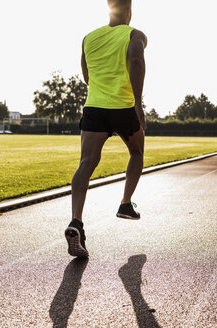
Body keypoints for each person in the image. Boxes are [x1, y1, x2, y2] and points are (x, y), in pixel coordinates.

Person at [65, 0, 147, 258]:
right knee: (136, 152)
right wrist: (137, 103)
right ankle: (125, 204)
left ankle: (76, 221)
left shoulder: (88, 38)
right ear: (129, 10)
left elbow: (86, 74)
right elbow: (136, 59)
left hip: (95, 107)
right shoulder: (135, 34)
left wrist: (101, 88)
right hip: (123, 106)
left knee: (86, 162)